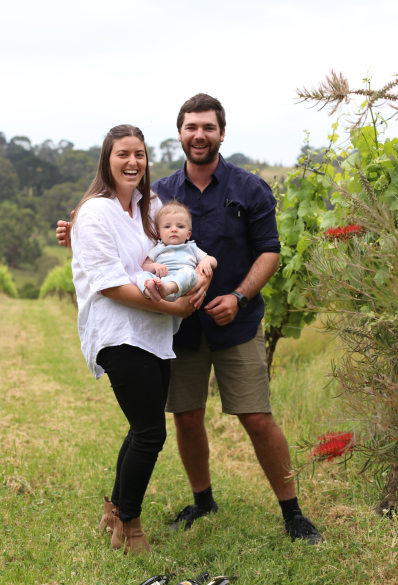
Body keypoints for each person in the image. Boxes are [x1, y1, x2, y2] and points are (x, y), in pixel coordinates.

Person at [57, 95, 324, 545]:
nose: (199, 135)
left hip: (235, 321)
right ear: (179, 133)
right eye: (190, 127)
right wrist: (73, 232)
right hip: (175, 330)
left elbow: (271, 250)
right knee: (184, 417)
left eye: (208, 127)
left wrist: (239, 296)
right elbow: (120, 241)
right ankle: (202, 501)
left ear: (222, 132)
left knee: (257, 417)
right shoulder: (158, 193)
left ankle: (292, 512)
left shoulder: (249, 187)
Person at [69, 124, 205, 555]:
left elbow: (178, 245)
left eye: (139, 155)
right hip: (118, 330)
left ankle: (115, 507)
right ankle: (130, 526)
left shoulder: (151, 206)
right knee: (150, 432)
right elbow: (109, 285)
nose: (132, 162)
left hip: (153, 332)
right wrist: (174, 307)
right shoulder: (95, 213)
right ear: (107, 161)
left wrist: (199, 276)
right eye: (123, 154)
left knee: (141, 427)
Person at [137, 200, 217, 303]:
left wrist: (205, 261)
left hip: (181, 287)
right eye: (167, 226)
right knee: (140, 275)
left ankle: (168, 289)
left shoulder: (191, 247)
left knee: (190, 272)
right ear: (159, 234)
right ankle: (151, 292)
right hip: (160, 282)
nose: (174, 229)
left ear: (188, 235)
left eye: (180, 226)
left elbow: (213, 260)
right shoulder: (157, 249)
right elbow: (144, 267)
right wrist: (155, 266)